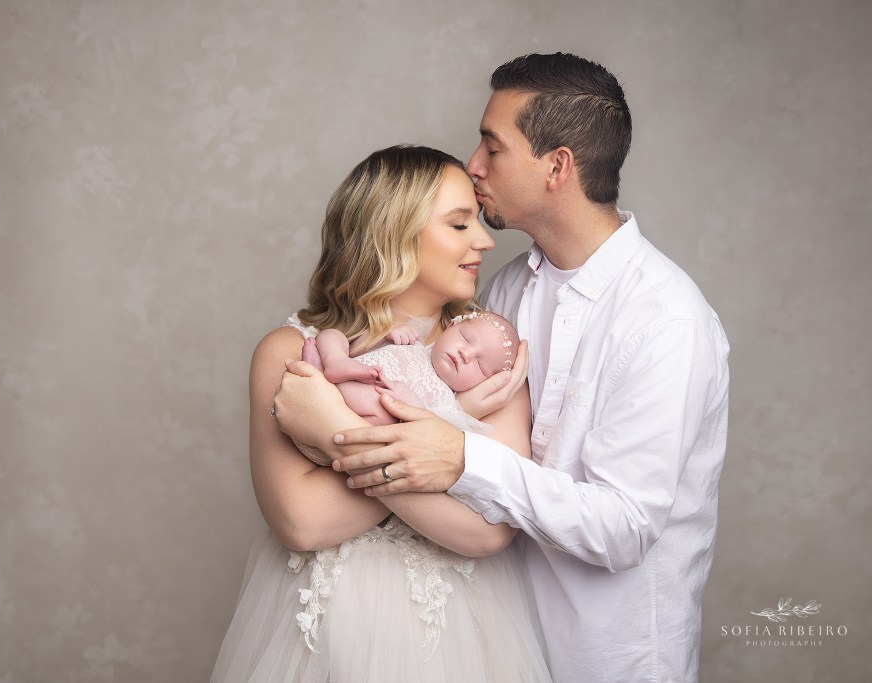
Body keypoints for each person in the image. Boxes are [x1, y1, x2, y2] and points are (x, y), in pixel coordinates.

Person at [277, 53, 731, 682]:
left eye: (494, 145)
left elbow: (625, 527)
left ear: (558, 167)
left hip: (604, 658)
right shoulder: (507, 290)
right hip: (490, 637)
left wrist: (462, 458)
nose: (474, 163)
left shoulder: (665, 320)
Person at [212, 145, 551, 682]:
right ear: (392, 233)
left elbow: (488, 531)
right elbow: (303, 521)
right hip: (327, 631)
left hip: (458, 635)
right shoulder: (289, 350)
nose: (485, 240)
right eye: (460, 225)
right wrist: (438, 466)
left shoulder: (488, 353)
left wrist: (333, 436)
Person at [299, 311, 520, 428]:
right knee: (334, 335)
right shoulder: (414, 341)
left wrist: (411, 403)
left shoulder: (446, 401)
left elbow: (429, 428)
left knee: (383, 416)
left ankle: (322, 379)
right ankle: (333, 362)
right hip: (344, 375)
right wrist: (386, 335)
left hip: (347, 412)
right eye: (465, 338)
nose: (466, 354)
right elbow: (359, 347)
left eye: (480, 365)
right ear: (452, 326)